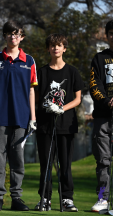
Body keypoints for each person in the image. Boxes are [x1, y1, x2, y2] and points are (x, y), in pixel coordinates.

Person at [0, 20, 37, 211]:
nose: (13, 37)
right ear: (4, 36)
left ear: (22, 37)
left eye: (16, 34)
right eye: (9, 33)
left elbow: (32, 91)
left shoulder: (29, 61)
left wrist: (32, 118)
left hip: (21, 118)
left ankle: (17, 198)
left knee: (17, 159)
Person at [34, 34, 83, 212]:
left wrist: (62, 108)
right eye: (52, 45)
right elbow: (36, 98)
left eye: (59, 45)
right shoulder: (42, 72)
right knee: (46, 163)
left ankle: (67, 199)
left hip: (66, 124)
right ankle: (45, 198)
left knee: (65, 164)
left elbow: (78, 99)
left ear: (64, 49)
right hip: (45, 126)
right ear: (48, 49)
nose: (56, 48)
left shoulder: (72, 72)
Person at [89, 20, 113, 212]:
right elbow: (94, 85)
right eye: (111, 33)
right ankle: (102, 199)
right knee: (103, 160)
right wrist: (107, 101)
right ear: (106, 35)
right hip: (103, 117)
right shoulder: (99, 58)